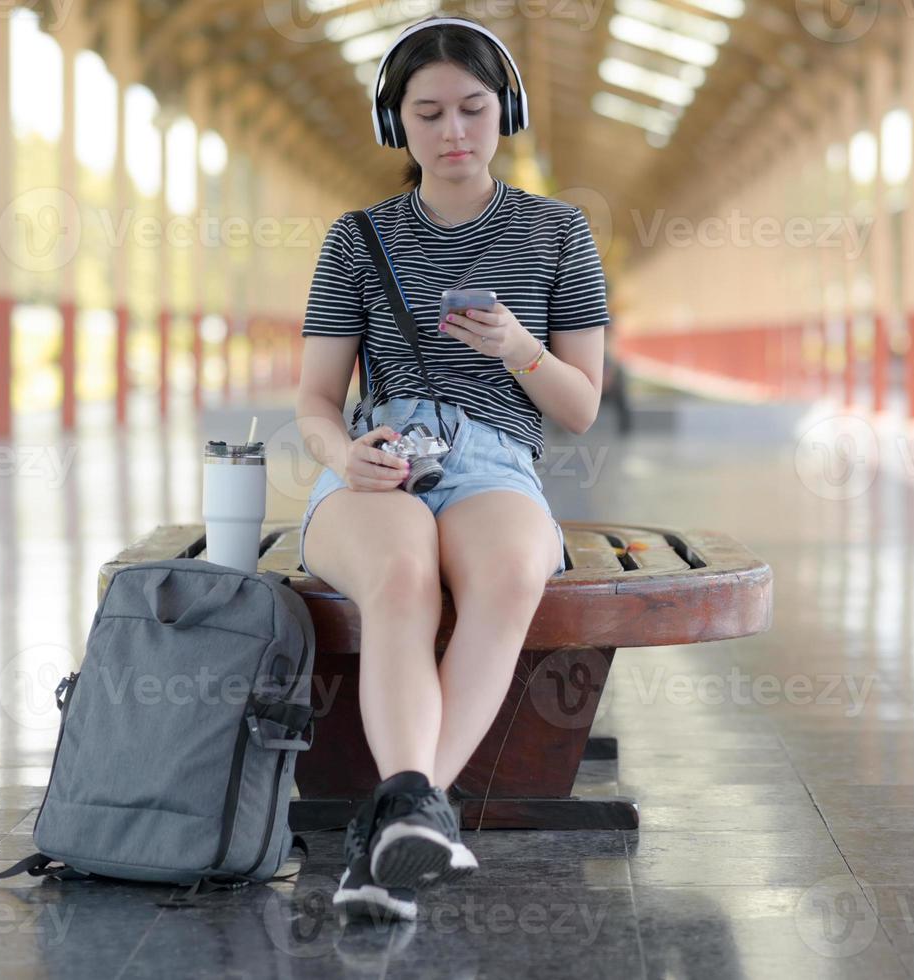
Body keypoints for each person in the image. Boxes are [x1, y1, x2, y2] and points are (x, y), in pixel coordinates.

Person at [292, 15, 608, 922]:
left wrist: (518, 347)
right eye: (426, 113)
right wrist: (340, 453)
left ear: (503, 110)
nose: (453, 132)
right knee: (400, 573)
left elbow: (579, 407)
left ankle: (395, 819)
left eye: (472, 108)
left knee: (510, 572)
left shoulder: (558, 233)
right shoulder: (357, 239)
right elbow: (315, 400)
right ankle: (411, 823)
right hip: (379, 456)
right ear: (397, 126)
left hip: (496, 456)